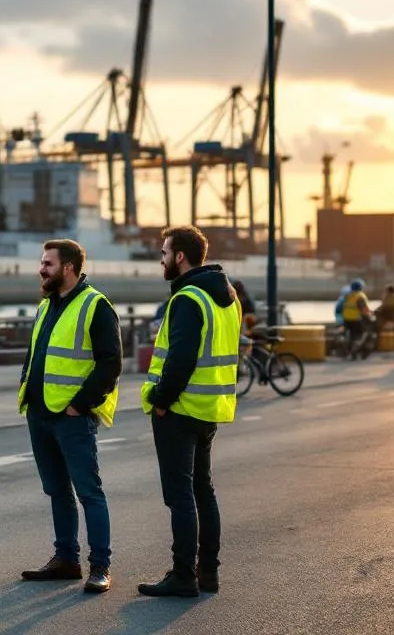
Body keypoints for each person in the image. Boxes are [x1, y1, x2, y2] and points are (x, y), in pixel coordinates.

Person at [137, 225, 239, 599]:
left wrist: (161, 400)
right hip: (210, 407)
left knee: (180, 495)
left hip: (179, 410)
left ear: (179, 256)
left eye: (164, 253)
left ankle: (182, 575)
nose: (161, 259)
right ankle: (207, 572)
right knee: (203, 490)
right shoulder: (226, 298)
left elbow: (180, 358)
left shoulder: (187, 299)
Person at [18, 239, 122, 595]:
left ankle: (101, 567)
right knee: (56, 490)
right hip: (40, 413)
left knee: (88, 492)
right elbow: (37, 354)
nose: (41, 268)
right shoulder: (47, 305)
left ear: (68, 267)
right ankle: (66, 559)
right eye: (41, 262)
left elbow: (111, 363)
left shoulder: (96, 305)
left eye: (47, 263)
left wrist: (80, 405)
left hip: (72, 417)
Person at [341, 279, 373, 359]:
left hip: (346, 319)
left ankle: (348, 350)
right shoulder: (360, 296)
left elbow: (343, 307)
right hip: (356, 319)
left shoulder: (348, 296)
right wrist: (370, 315)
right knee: (360, 335)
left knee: (351, 335)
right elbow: (363, 309)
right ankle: (354, 350)